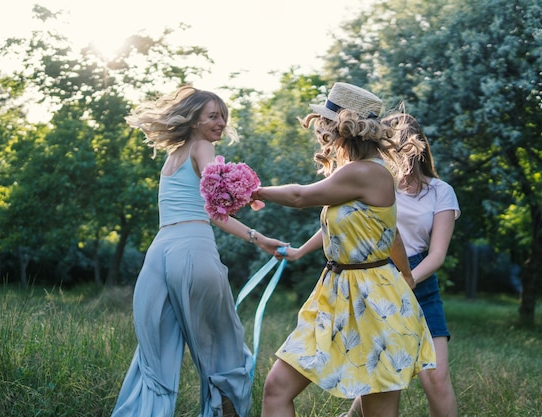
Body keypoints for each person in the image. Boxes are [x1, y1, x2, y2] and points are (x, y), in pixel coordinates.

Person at [252, 82, 436, 417]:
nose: (321, 129)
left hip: (373, 302)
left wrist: (252, 189)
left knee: (376, 411)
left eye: (326, 123)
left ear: (342, 128)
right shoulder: (358, 173)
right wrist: (406, 277)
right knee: (277, 388)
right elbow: (389, 234)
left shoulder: (365, 172)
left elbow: (299, 197)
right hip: (337, 294)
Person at [111, 85, 287, 417]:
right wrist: (247, 192)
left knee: (154, 361)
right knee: (225, 351)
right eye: (213, 116)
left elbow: (212, 209)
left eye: (223, 116)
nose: (220, 123)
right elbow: (217, 193)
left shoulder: (172, 157)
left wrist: (258, 237)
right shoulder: (202, 147)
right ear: (194, 121)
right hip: (193, 250)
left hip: (159, 254)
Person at [346, 111, 461, 417]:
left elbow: (437, 255)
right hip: (377, 276)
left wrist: (405, 282)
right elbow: (340, 222)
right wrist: (298, 251)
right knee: (381, 376)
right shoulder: (376, 183)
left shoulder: (441, 192)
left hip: (419, 282)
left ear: (416, 147)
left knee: (436, 377)